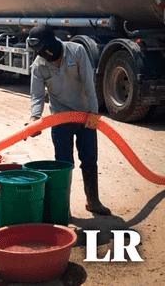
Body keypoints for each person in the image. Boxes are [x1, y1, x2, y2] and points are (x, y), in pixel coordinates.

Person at [27, 24, 111, 215]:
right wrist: (34, 118)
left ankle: (93, 202)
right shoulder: (39, 66)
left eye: (43, 51)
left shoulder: (77, 51)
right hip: (60, 119)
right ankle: (62, 207)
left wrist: (93, 113)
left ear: (51, 43)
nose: (43, 56)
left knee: (89, 159)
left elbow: (89, 84)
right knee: (63, 165)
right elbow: (37, 96)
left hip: (85, 115)